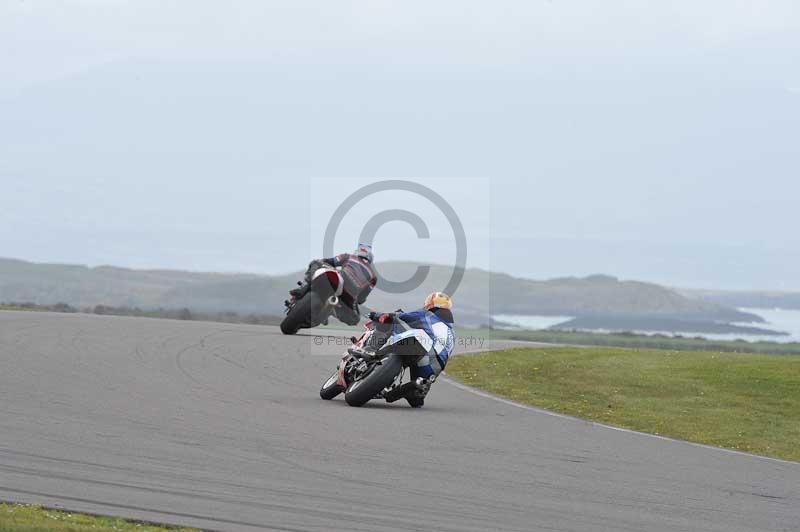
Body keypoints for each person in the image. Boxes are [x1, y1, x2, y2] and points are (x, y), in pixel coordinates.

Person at [365, 291, 455, 408]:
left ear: (430, 304)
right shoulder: (452, 333)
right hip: (432, 369)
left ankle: (370, 350)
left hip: (421, 350)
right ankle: (402, 389)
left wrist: (375, 315)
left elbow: (399, 317)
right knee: (416, 401)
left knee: (391, 321)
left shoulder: (426, 315)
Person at [290, 243, 377, 326]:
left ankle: (302, 290)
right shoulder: (373, 276)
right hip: (350, 295)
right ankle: (331, 310)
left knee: (315, 263)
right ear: (370, 259)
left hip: (341, 278)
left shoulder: (349, 257)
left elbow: (328, 261)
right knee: (355, 319)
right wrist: (357, 300)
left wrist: (325, 266)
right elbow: (362, 298)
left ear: (357, 252)